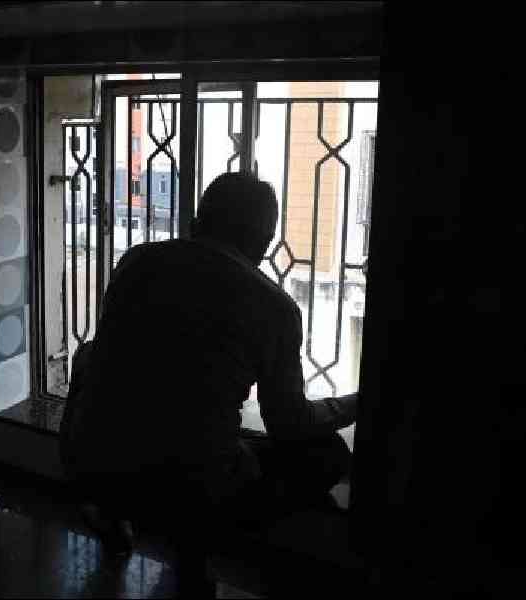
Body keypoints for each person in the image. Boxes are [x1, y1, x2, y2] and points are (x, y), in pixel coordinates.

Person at [59, 172, 357, 544]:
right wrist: (352, 405)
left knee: (91, 354)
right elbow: (290, 424)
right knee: (328, 454)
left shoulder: (137, 261)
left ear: (195, 223)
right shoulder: (274, 307)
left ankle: (115, 508)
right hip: (193, 488)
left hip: (88, 465)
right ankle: (214, 539)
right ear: (264, 244)